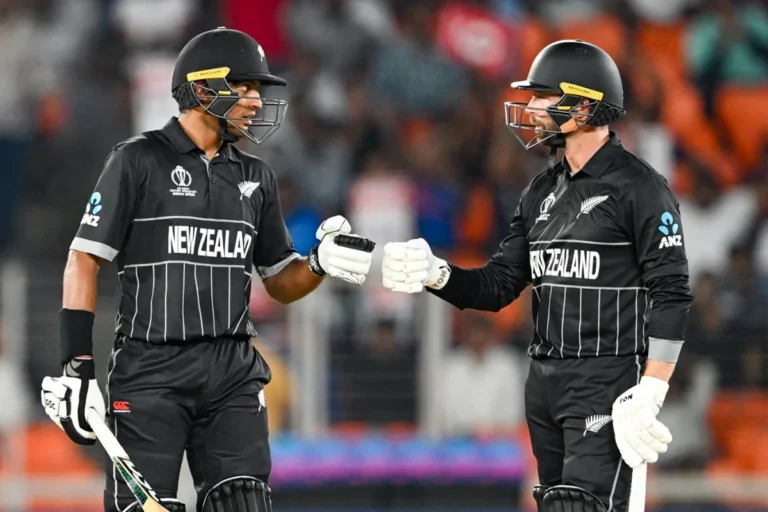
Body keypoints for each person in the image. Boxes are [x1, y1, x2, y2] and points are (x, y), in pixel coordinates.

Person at [40, 27, 375, 512]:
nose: (256, 101)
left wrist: (319, 264)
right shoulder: (136, 161)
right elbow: (83, 259)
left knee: (244, 503)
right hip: (150, 370)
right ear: (201, 89)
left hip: (232, 372)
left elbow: (281, 281)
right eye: (244, 86)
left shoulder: (257, 177)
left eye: (258, 89)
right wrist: (77, 367)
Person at [381, 39, 693, 512]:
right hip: (544, 380)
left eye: (544, 96)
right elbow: (498, 287)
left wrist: (652, 387)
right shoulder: (539, 192)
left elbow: (672, 292)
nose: (530, 109)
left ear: (584, 106)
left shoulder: (641, 187)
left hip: (607, 377)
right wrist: (437, 273)